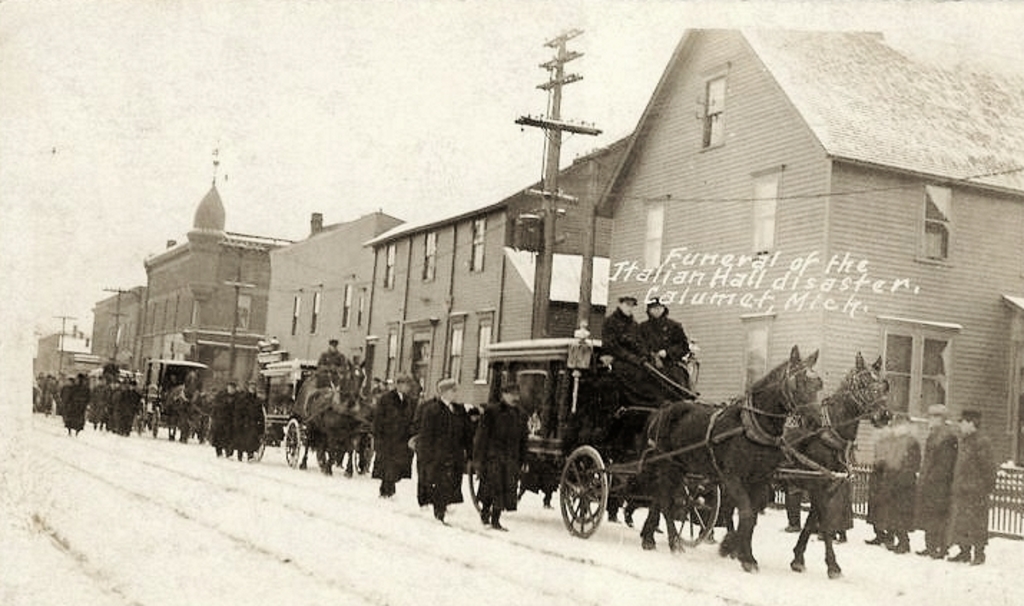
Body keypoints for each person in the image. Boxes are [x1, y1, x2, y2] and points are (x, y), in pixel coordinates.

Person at [412, 378, 473, 524]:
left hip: (455, 453)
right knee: (439, 483)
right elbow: (426, 435)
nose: (455, 393)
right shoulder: (432, 410)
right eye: (453, 390)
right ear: (444, 392)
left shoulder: (459, 410)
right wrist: (427, 456)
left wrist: (470, 452)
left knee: (451, 482)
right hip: (438, 454)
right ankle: (439, 512)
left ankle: (443, 507)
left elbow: (467, 433)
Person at [474, 382, 529, 531]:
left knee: (505, 489)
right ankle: (485, 513)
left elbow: (523, 439)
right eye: (511, 394)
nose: (514, 398)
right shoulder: (492, 412)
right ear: (504, 395)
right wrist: (479, 459)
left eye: (516, 395)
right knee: (492, 487)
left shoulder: (521, 415)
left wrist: (524, 459)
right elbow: (482, 436)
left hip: (511, 458)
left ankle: (496, 520)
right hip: (493, 456)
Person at [947, 410, 997, 565]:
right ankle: (964, 552)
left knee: (977, 523)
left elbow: (989, 468)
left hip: (976, 492)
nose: (960, 426)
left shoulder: (982, 442)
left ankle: (979, 554)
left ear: (971, 423)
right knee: (963, 522)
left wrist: (984, 488)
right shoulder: (965, 441)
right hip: (963, 490)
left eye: (962, 422)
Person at [914, 404, 958, 559]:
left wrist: (932, 479)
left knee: (939, 516)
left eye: (932, 417)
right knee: (930, 515)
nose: (929, 420)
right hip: (931, 482)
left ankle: (941, 547)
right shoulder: (934, 435)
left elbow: (945, 465)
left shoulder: (946, 437)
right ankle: (930, 546)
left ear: (941, 419)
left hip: (940, 485)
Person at [372, 374, 418, 498]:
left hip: (402, 439)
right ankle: (387, 490)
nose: (407, 388)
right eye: (405, 385)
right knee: (388, 465)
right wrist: (378, 436)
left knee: (396, 466)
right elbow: (378, 419)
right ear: (398, 385)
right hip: (388, 438)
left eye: (408, 385)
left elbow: (411, 418)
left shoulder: (409, 401)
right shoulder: (386, 399)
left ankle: (389, 489)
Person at [881, 413, 921, 554]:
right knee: (893, 513)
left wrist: (901, 480)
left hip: (904, 485)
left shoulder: (911, 442)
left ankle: (904, 542)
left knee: (902, 514)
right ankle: (898, 539)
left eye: (898, 426)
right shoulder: (895, 441)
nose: (895, 429)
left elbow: (912, 464)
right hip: (893, 482)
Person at [638, 297, 692, 391]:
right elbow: (637, 345)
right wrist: (649, 354)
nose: (657, 310)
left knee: (677, 383)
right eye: (653, 308)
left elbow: (683, 347)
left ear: (664, 308)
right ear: (649, 310)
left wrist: (668, 352)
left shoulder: (674, 326)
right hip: (649, 365)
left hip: (670, 365)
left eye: (659, 307)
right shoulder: (642, 328)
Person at [233, 380, 265, 461]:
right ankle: (240, 454)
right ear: (248, 387)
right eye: (251, 386)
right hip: (244, 422)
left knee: (252, 440)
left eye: (254, 386)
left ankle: (250, 455)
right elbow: (238, 411)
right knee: (241, 440)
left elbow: (260, 413)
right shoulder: (242, 399)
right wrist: (238, 422)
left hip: (253, 423)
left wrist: (261, 424)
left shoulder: (257, 401)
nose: (253, 388)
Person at [211, 381, 238, 458]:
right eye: (230, 388)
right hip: (220, 419)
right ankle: (219, 452)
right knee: (219, 437)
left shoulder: (237, 397)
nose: (231, 390)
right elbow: (215, 407)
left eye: (233, 388)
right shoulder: (221, 395)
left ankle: (229, 453)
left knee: (230, 437)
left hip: (231, 421)